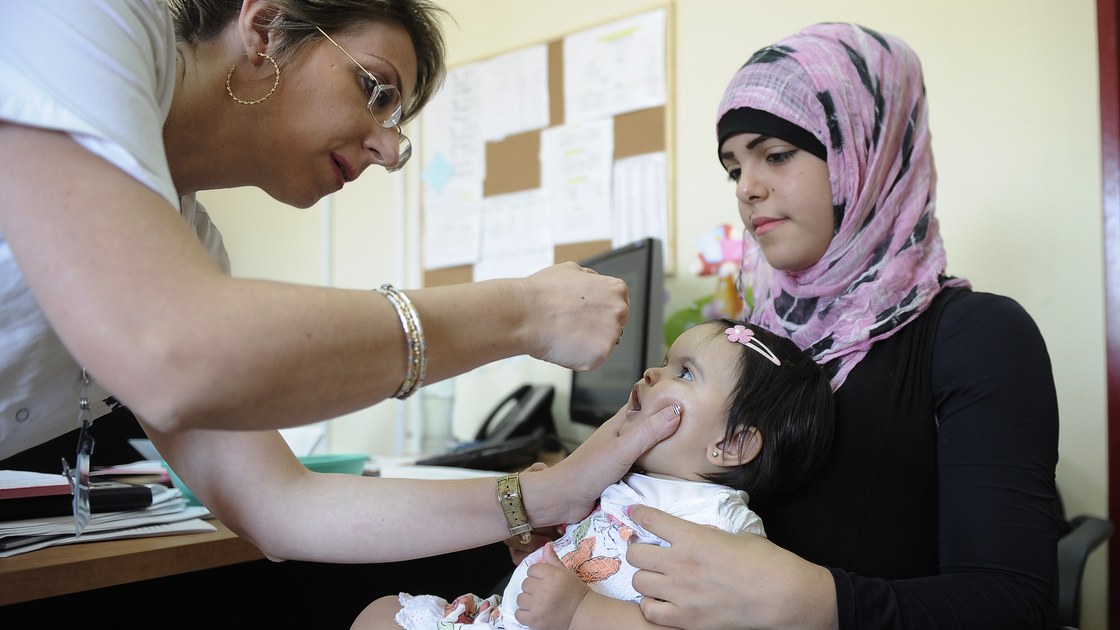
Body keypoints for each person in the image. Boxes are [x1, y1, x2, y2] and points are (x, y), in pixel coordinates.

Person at [0, 0, 682, 574]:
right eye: (376, 91)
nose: (388, 150)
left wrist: (546, 493)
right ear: (265, 28)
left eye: (397, 124)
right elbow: (168, 349)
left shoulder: (191, 247)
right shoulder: (85, 17)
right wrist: (521, 312)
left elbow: (280, 506)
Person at [622, 23, 1060, 630]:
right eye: (733, 168)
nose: (748, 188)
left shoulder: (980, 338)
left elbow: (1013, 604)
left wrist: (811, 602)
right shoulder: (747, 344)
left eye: (776, 154)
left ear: (867, 150)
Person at [354, 319, 835, 630]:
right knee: (378, 615)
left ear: (731, 445)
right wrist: (551, 537)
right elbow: (599, 548)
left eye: (684, 373)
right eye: (665, 361)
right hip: (501, 617)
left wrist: (583, 612)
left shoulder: (726, 530)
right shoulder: (624, 484)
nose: (652, 373)